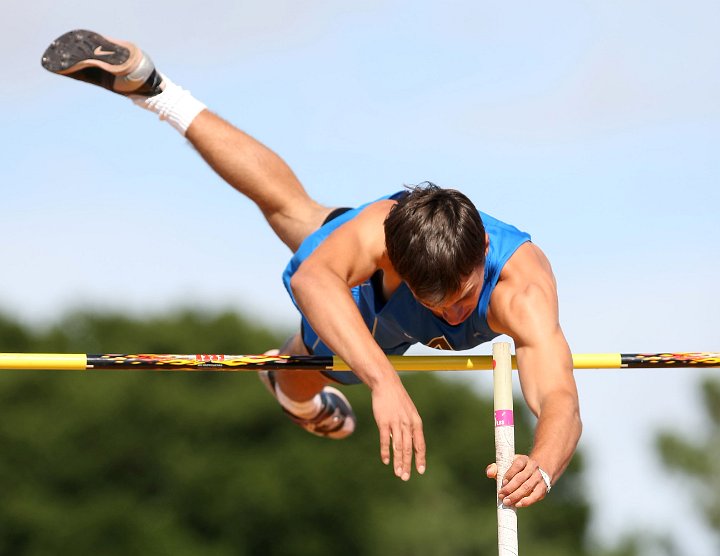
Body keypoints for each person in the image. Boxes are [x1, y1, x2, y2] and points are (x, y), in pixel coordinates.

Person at [41, 29, 582, 508]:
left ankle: (157, 89)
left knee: (295, 212)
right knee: (300, 364)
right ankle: (293, 390)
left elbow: (558, 398)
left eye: (462, 296)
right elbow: (311, 280)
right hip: (377, 301)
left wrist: (541, 464)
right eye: (434, 299)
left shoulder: (522, 289)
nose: (452, 312)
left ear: (484, 248)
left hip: (392, 272)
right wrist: (382, 381)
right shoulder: (379, 231)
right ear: (395, 257)